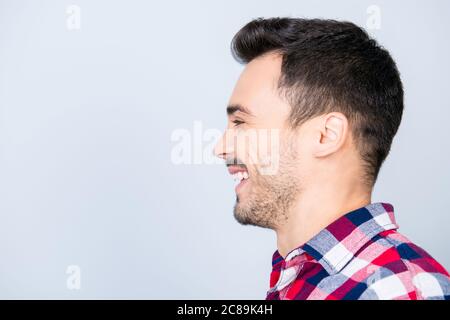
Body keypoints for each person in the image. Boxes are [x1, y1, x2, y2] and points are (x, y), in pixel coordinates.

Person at [214, 17, 450, 300]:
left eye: (240, 122)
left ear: (326, 135)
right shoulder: (303, 278)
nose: (221, 148)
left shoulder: (395, 290)